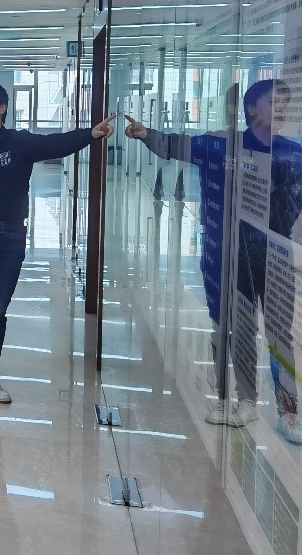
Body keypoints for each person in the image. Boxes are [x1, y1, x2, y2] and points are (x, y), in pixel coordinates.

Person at [125, 79, 301, 444]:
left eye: (286, 103)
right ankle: (242, 400)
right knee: (232, 326)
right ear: (251, 110)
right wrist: (145, 134)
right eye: (274, 102)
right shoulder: (222, 145)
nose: (282, 109)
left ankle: (290, 410)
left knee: (279, 333)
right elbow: (176, 145)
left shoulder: (293, 154)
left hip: (274, 258)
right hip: (226, 252)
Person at [0, 80, 115, 408]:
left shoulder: (19, 143)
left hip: (9, 239)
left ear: (2, 107)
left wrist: (91, 133)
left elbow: (56, 144)